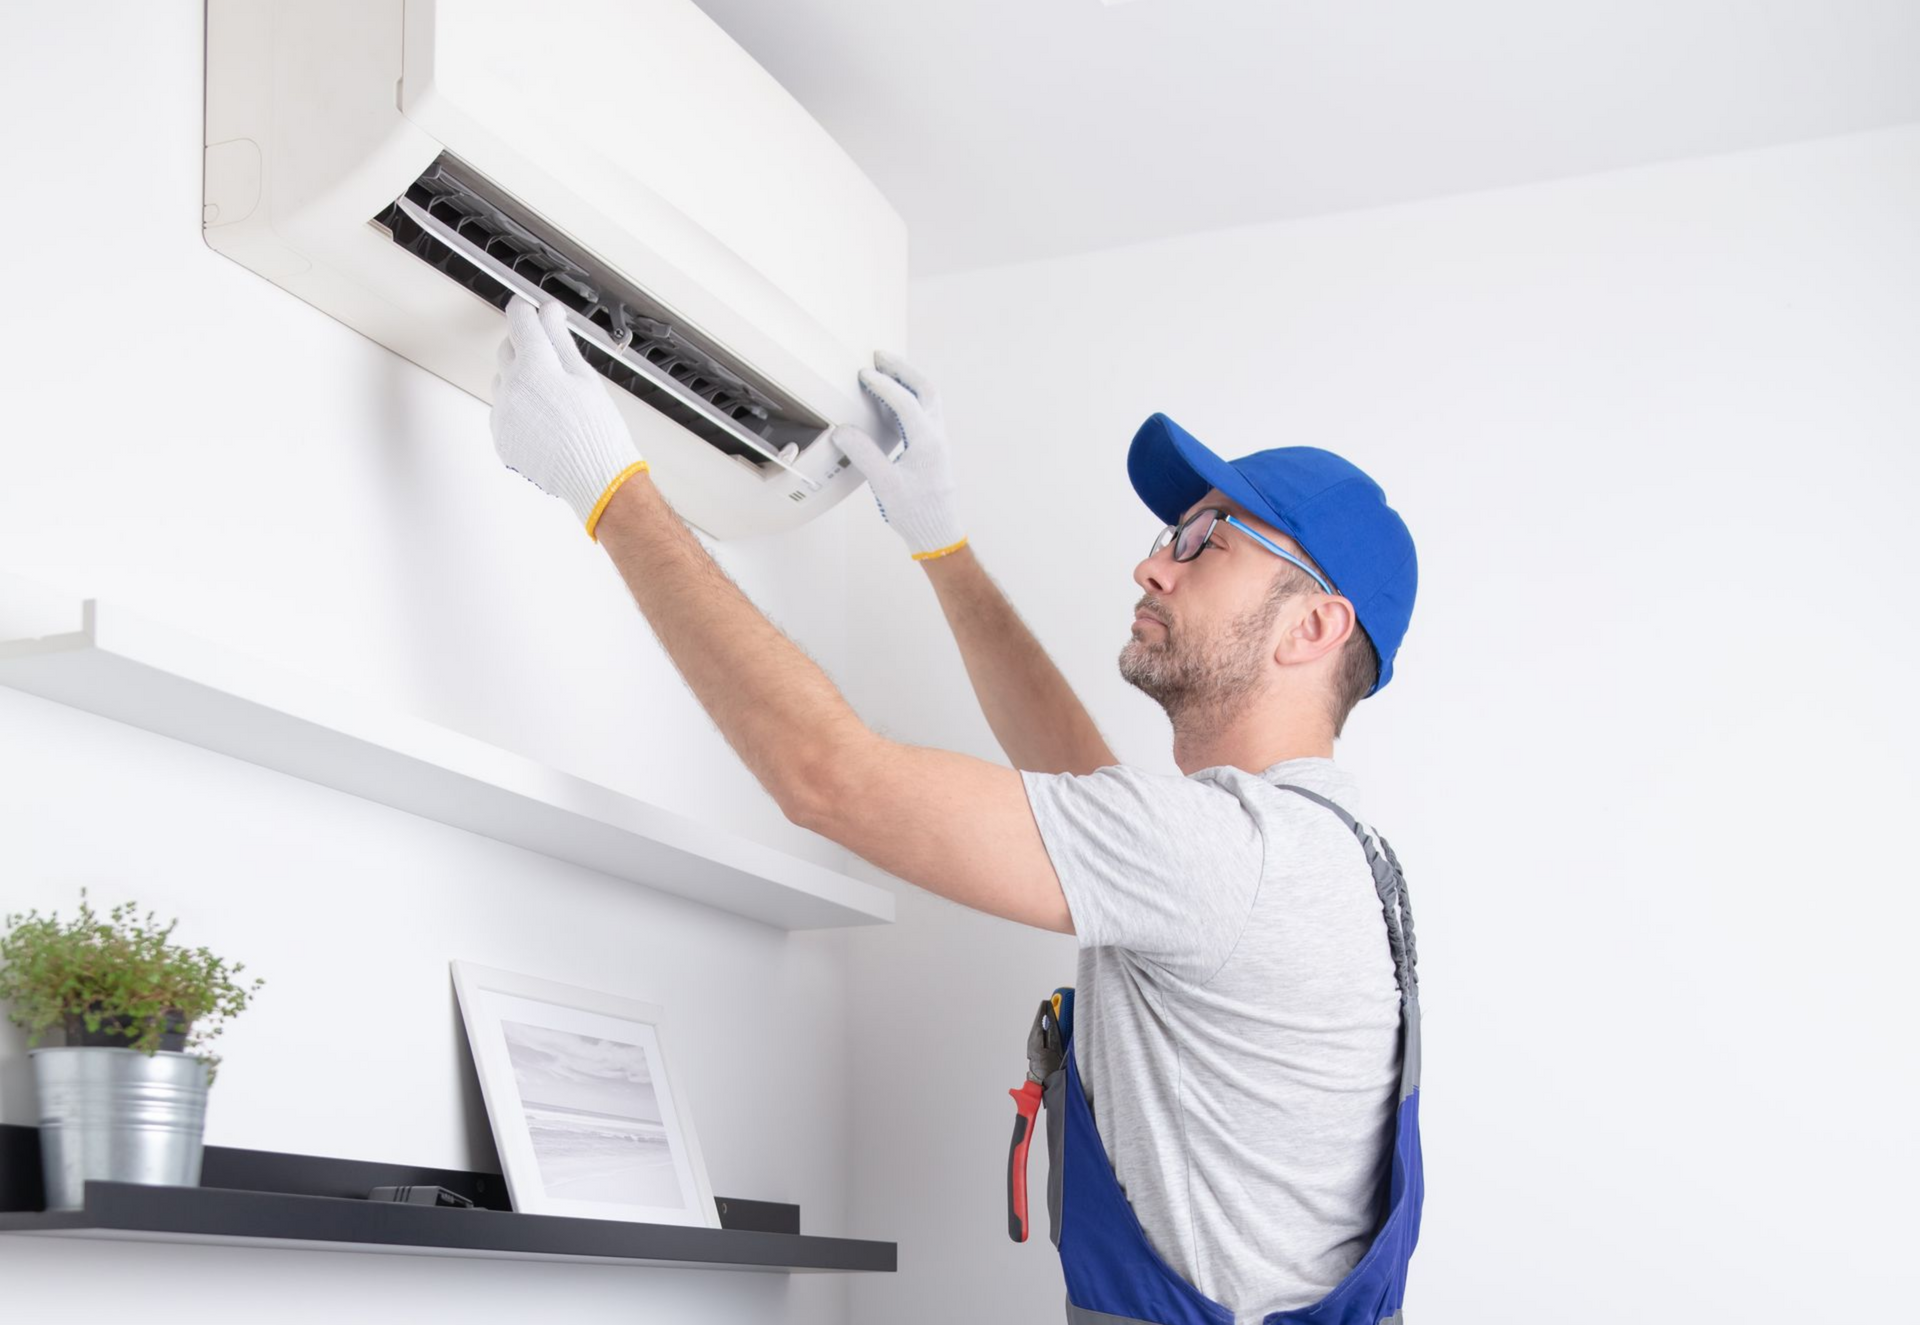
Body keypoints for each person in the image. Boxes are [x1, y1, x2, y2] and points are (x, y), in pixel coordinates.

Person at [487, 298, 1423, 1325]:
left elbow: (827, 778)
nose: (1154, 561)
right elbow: (1086, 795)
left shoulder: (1237, 861)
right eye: (1171, 531)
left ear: (1316, 626)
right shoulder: (1321, 859)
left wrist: (608, 489)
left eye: (1209, 540)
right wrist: (943, 547)